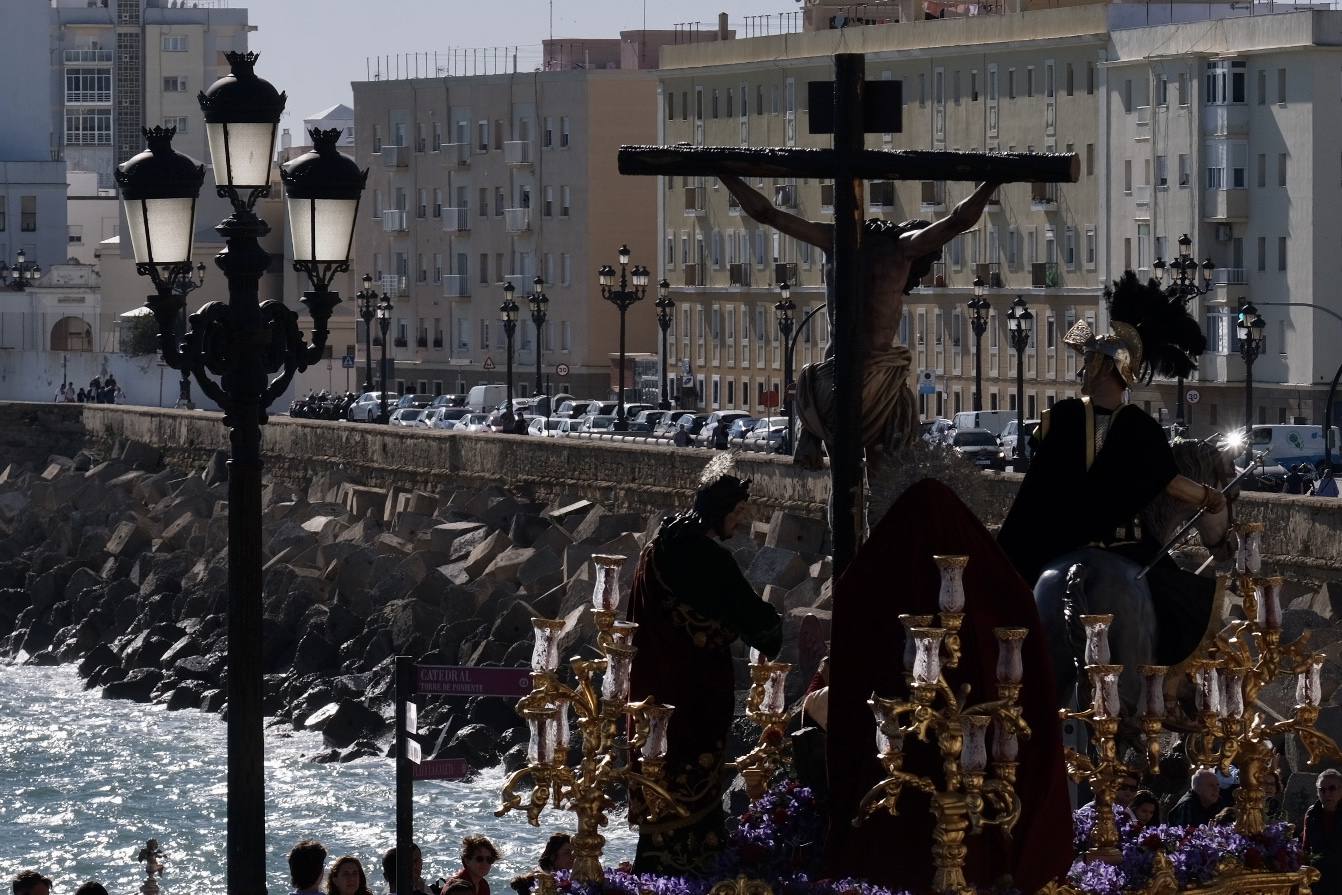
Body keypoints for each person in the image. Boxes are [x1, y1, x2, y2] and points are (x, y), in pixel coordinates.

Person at [824, 479, 1072, 895]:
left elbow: (852, 673)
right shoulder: (994, 581)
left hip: (903, 745)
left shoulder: (876, 576)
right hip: (968, 741)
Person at [998, 272, 1221, 668]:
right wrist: (1210, 497)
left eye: (1088, 360)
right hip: (1125, 547)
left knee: (1007, 595)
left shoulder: (1061, 417)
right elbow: (1170, 484)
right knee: (1179, 602)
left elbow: (1039, 491)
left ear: (1106, 366)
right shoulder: (1140, 426)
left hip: (1054, 543)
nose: (1082, 369)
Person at [719, 175, 999, 476]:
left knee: (842, 477)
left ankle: (821, 456)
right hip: (876, 380)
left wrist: (724, 173)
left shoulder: (833, 239)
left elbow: (767, 213)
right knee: (886, 477)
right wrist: (992, 182)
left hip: (829, 382)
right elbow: (958, 220)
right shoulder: (903, 250)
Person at [627, 451, 784, 875]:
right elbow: (759, 623)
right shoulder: (710, 559)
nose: (740, 523)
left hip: (650, 697)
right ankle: (696, 866)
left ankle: (658, 866)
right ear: (720, 511)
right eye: (737, 513)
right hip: (697, 695)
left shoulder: (657, 548)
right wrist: (773, 629)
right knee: (694, 778)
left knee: (660, 777)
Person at [1304, 768, 1342, 895]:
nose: (1327, 794)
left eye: (1332, 788)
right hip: (1318, 877)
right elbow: (1306, 846)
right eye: (1322, 790)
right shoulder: (1312, 813)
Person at [509, 833, 573, 894]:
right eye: (567, 852)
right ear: (552, 856)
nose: (573, 856)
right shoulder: (535, 883)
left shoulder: (575, 878)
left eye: (574, 852)